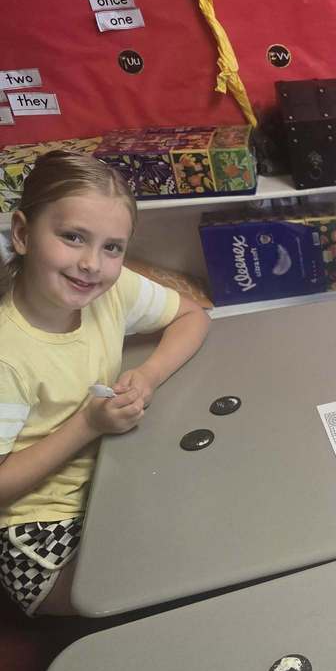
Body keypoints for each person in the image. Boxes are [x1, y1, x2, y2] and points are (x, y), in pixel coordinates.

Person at [0, 151, 209, 615]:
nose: (92, 263)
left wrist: (148, 375)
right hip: (39, 538)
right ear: (22, 234)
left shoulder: (110, 290)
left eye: (112, 247)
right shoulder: (7, 354)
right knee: (183, 593)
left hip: (112, 480)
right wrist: (87, 426)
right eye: (72, 237)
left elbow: (192, 316)